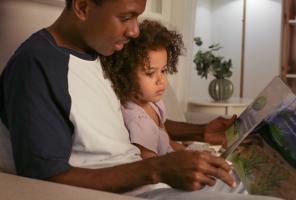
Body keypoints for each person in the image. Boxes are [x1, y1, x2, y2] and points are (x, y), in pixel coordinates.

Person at [0, 0, 281, 199]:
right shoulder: (37, 65)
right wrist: (157, 168)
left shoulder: (100, 51)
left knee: (277, 182)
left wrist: (201, 131)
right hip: (128, 190)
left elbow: (135, 117)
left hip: (147, 180)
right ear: (83, 6)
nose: (134, 31)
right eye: (125, 17)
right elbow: (44, 178)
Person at [101, 20, 187, 159]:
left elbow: (167, 140)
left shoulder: (155, 103)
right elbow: (150, 163)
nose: (161, 80)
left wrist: (191, 154)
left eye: (163, 70)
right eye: (150, 73)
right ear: (125, 74)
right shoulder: (137, 120)